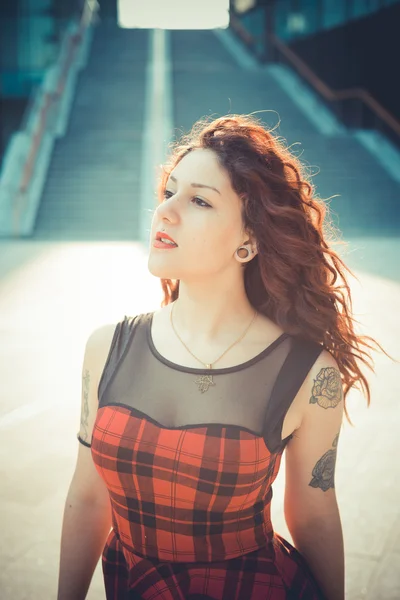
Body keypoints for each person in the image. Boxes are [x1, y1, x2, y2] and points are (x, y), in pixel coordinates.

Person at [57, 114, 389, 600]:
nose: (165, 212)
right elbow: (88, 498)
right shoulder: (107, 347)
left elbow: (313, 512)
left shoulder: (309, 373)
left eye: (198, 200)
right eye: (168, 192)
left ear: (248, 241)